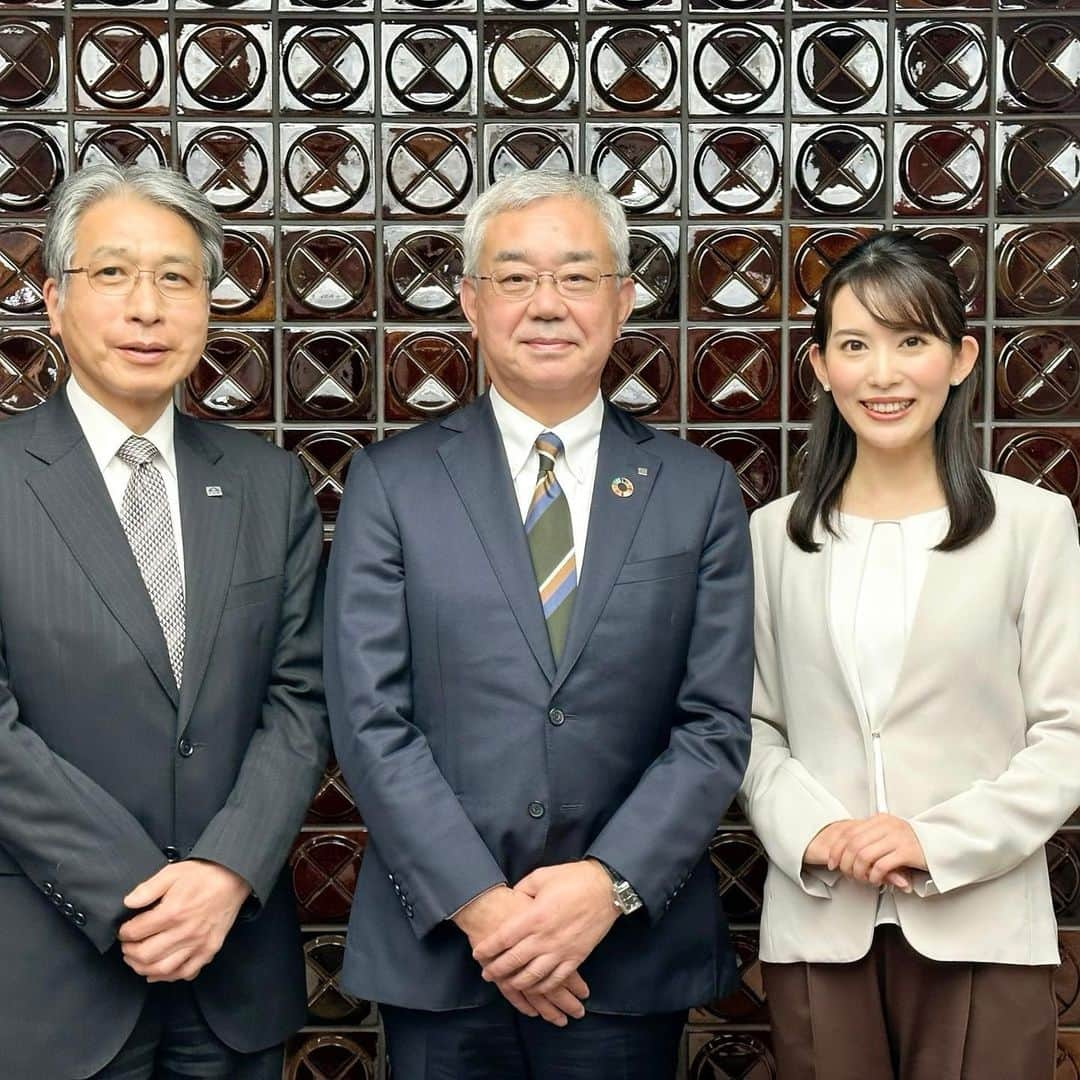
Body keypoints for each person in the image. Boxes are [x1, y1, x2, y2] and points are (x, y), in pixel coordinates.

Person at [324, 171, 754, 1079]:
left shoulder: (698, 490)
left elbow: (714, 724)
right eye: (515, 278)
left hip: (625, 956)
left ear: (624, 298)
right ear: (472, 304)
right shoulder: (390, 484)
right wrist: (485, 908)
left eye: (577, 276)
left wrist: (605, 889)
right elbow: (368, 719)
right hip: (443, 950)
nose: (547, 304)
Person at [0, 163, 328, 1079]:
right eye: (112, 273)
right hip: (44, 975)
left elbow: (302, 700)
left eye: (176, 278)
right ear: (54, 303)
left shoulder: (271, 486)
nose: (147, 307)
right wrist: (135, 894)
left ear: (207, 307)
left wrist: (225, 873)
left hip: (235, 969)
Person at [738, 232, 1080, 1079]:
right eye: (855, 345)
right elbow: (745, 724)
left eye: (911, 342)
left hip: (985, 920)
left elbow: (1069, 731)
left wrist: (929, 839)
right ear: (820, 366)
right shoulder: (770, 537)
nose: (882, 375)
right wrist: (817, 832)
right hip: (820, 923)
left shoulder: (1034, 525)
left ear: (960, 358)